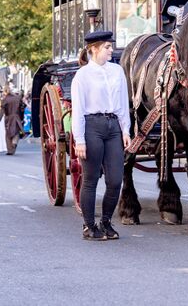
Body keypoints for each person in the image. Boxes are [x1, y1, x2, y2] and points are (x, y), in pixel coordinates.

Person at [70, 30, 131, 241]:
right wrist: (79, 139)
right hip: (92, 126)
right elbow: (78, 109)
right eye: (107, 47)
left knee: (115, 180)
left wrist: (126, 129)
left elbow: (123, 102)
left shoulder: (117, 71)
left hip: (113, 125)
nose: (111, 50)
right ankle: (88, 226)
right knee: (91, 179)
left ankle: (106, 221)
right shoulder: (83, 75)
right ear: (94, 49)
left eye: (110, 46)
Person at [0, 86, 25, 155]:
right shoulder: (17, 98)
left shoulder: (5, 99)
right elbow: (22, 108)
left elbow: (2, 110)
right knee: (16, 132)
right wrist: (21, 118)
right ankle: (14, 143)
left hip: (9, 118)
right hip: (17, 117)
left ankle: (10, 150)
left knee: (8, 133)